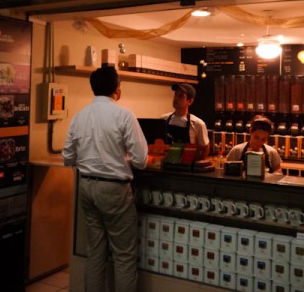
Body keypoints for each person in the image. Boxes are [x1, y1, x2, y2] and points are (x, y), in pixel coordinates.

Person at [63, 66, 148, 292]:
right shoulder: (124, 115)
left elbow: (67, 157)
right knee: (124, 256)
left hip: (86, 186)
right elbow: (141, 160)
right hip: (114, 191)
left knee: (95, 253)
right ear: (116, 89)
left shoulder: (79, 116)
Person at [162, 82, 210, 158]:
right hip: (167, 165)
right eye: (175, 94)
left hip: (186, 167)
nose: (176, 98)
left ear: (190, 101)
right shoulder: (163, 119)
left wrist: (195, 166)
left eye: (180, 96)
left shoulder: (198, 124)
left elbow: (205, 148)